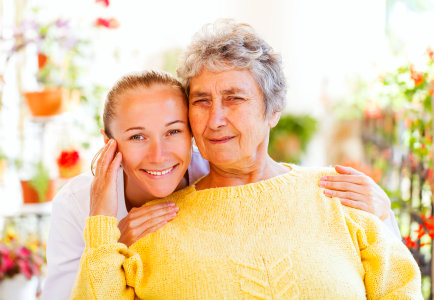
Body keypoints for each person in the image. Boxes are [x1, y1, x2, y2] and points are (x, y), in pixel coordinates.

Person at [71, 20, 422, 299]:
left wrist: (383, 211)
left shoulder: (339, 196)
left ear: (273, 110)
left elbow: (400, 290)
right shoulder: (153, 227)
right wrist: (104, 233)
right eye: (202, 101)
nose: (215, 119)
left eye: (234, 98)